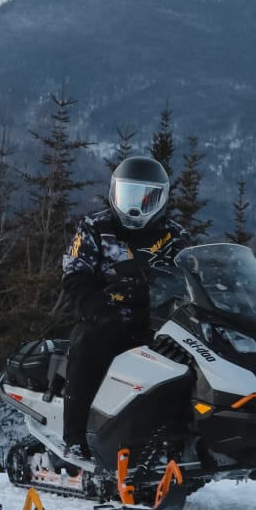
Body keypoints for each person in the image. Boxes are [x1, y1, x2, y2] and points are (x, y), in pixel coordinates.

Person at [59, 156, 191, 459]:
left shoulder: (174, 236)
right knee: (88, 346)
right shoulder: (96, 227)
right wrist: (97, 306)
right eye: (128, 196)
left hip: (158, 321)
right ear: (114, 193)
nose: (135, 208)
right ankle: (76, 438)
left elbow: (190, 276)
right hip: (108, 316)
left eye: (146, 198)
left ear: (162, 199)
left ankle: (183, 436)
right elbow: (75, 271)